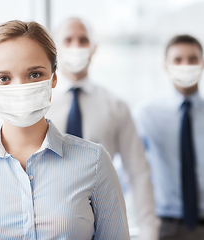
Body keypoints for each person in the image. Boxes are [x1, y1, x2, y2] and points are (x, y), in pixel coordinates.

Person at [0, 20, 129, 240]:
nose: (20, 88)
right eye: (3, 78)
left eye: (34, 74)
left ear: (53, 77)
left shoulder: (95, 162)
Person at [46, 17, 159, 239]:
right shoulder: (41, 105)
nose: (76, 47)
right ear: (56, 47)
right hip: (52, 224)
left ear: (94, 47)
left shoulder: (115, 106)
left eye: (83, 40)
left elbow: (137, 172)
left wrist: (149, 233)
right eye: (68, 40)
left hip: (104, 225)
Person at [134, 35, 204, 239]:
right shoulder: (147, 115)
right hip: (164, 225)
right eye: (178, 60)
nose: (186, 65)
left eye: (192, 59)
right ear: (166, 65)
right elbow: (130, 170)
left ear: (202, 64)